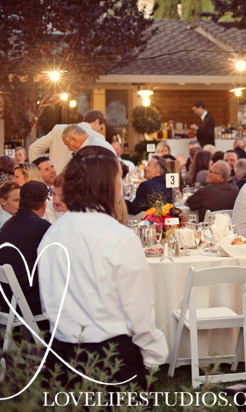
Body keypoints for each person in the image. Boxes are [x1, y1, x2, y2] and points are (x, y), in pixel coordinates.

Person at [39, 146, 167, 384]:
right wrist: (152, 356)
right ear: (107, 184)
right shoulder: (119, 238)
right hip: (110, 357)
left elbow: (49, 301)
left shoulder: (53, 233)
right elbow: (139, 312)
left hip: (62, 353)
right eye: (118, 177)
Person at [0, 181, 51, 315]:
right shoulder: (43, 228)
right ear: (44, 204)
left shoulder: (6, 226)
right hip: (29, 303)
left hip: (6, 299)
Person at [28, 110, 108, 173]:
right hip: (78, 186)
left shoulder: (58, 129)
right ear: (97, 121)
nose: (99, 131)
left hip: (54, 182)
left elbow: (33, 148)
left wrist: (40, 173)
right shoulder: (98, 138)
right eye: (101, 128)